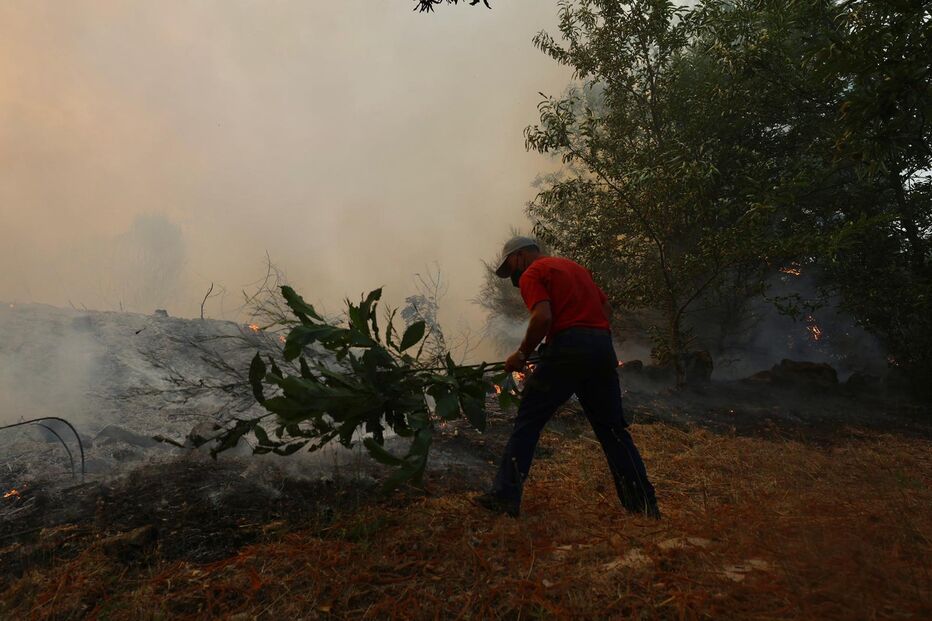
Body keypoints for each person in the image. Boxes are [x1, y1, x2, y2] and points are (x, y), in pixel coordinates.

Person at [475, 236, 660, 519]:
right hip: (601, 349)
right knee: (613, 431)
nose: (512, 275)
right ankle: (644, 507)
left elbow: (542, 318)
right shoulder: (576, 269)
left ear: (520, 256)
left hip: (567, 350)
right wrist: (587, 335)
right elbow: (606, 311)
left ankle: (504, 497)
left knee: (528, 423)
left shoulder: (533, 273)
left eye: (510, 266)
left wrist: (522, 354)